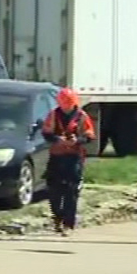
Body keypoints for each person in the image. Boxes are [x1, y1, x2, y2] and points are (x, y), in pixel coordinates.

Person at [41, 87, 95, 235]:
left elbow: (90, 135)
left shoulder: (82, 116)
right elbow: (46, 133)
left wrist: (77, 140)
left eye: (68, 103)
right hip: (57, 157)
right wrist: (57, 139)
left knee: (71, 191)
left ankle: (68, 223)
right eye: (64, 102)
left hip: (74, 157)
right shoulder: (53, 115)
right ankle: (57, 218)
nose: (66, 105)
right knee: (54, 190)